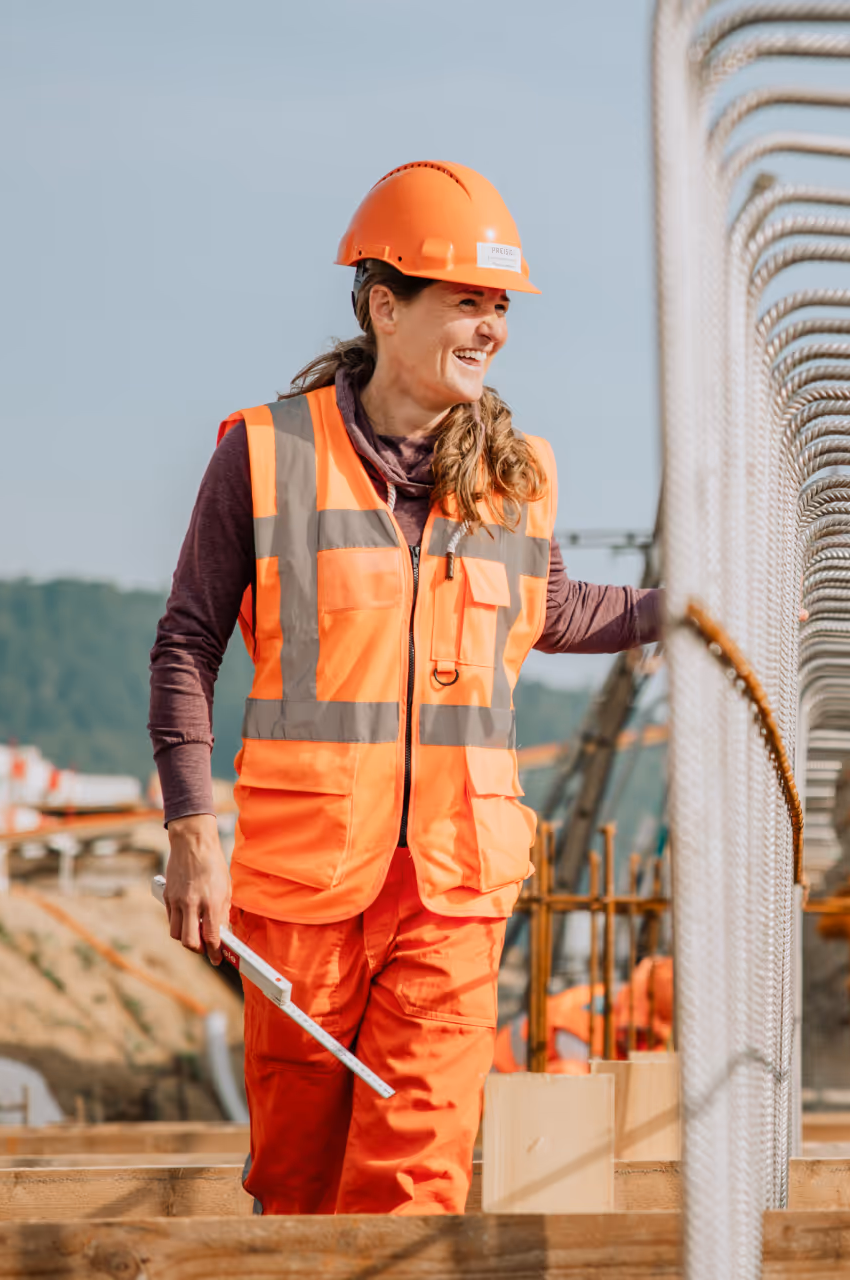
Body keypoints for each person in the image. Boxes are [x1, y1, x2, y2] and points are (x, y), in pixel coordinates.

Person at [147, 160, 659, 1215]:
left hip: (454, 887)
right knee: (296, 1181)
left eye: (501, 306)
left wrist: (693, 607)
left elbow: (555, 612)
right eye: (466, 301)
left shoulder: (516, 477)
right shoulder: (265, 455)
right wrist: (192, 826)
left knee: (414, 1179)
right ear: (387, 304)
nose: (493, 328)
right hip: (304, 889)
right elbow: (187, 641)